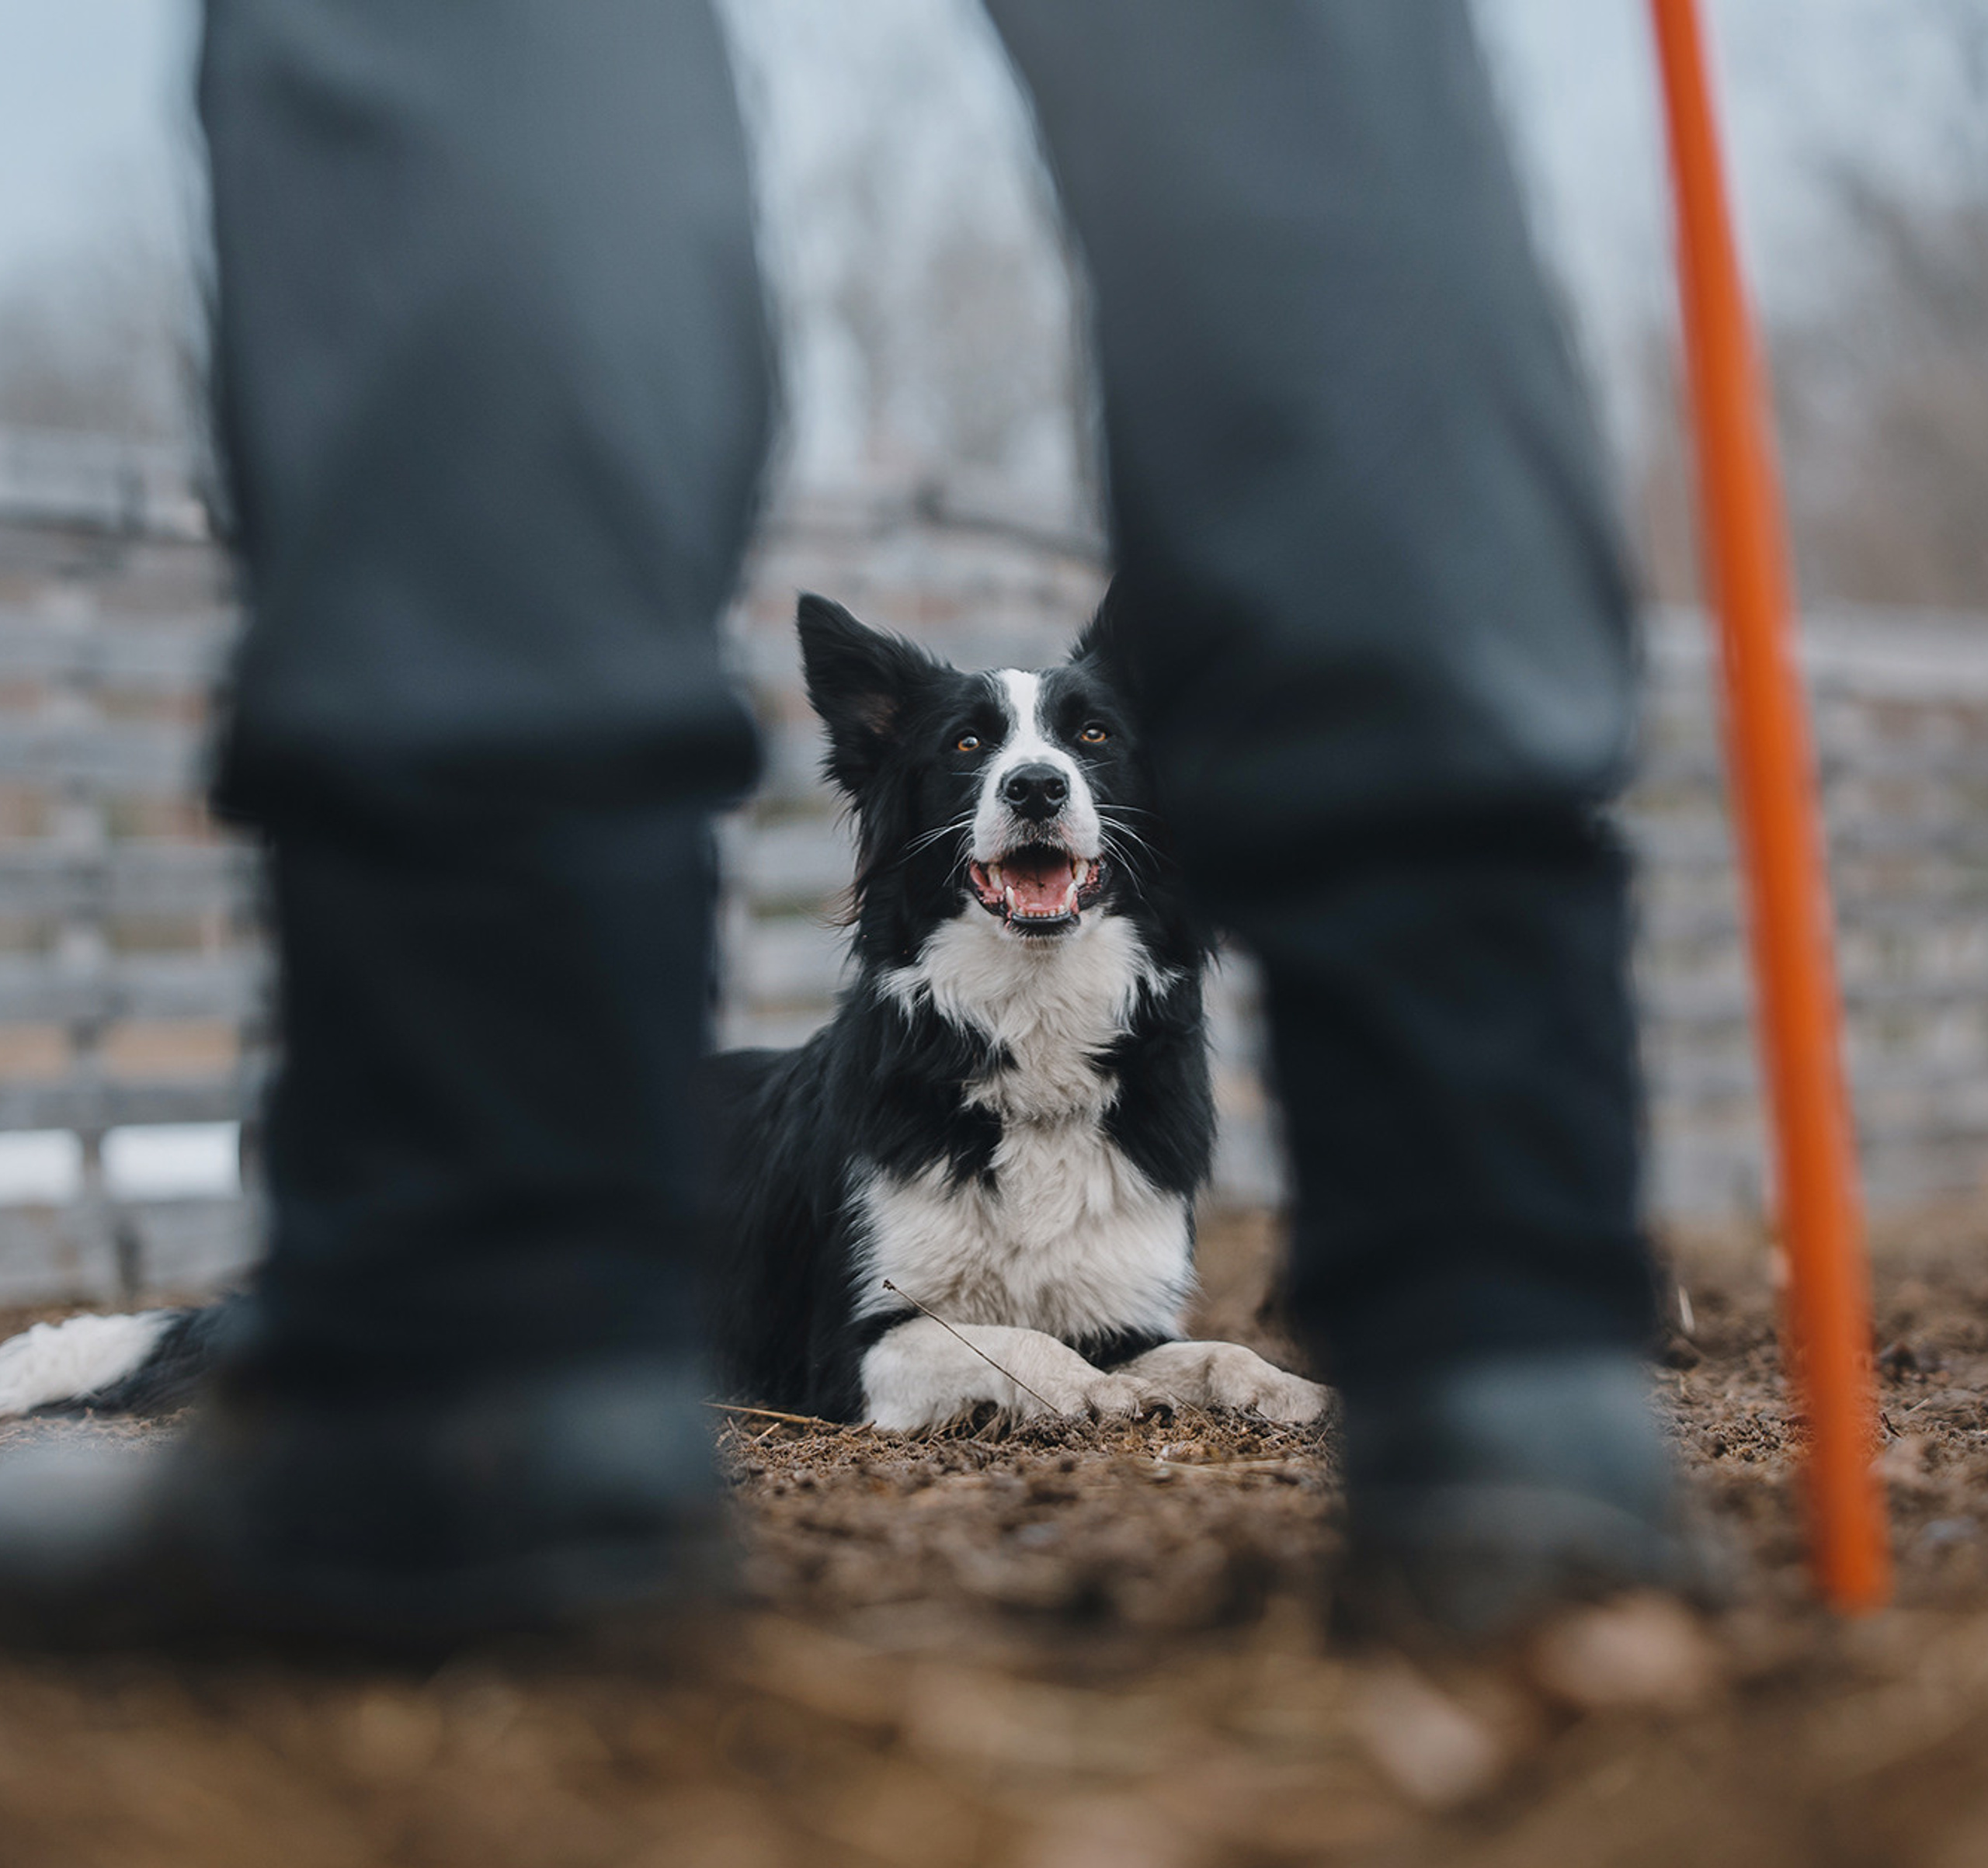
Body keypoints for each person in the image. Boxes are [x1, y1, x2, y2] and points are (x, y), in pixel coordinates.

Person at [0, 0, 1685, 1648]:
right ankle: (1506, 1347)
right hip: (807, 1192)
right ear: (907, 803)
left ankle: (482, 1390)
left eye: (1083, 745)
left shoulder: (1148, 1078)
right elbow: (868, 1360)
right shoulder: (882, 1056)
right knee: (1283, 61)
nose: (1034, 775)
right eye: (975, 754)